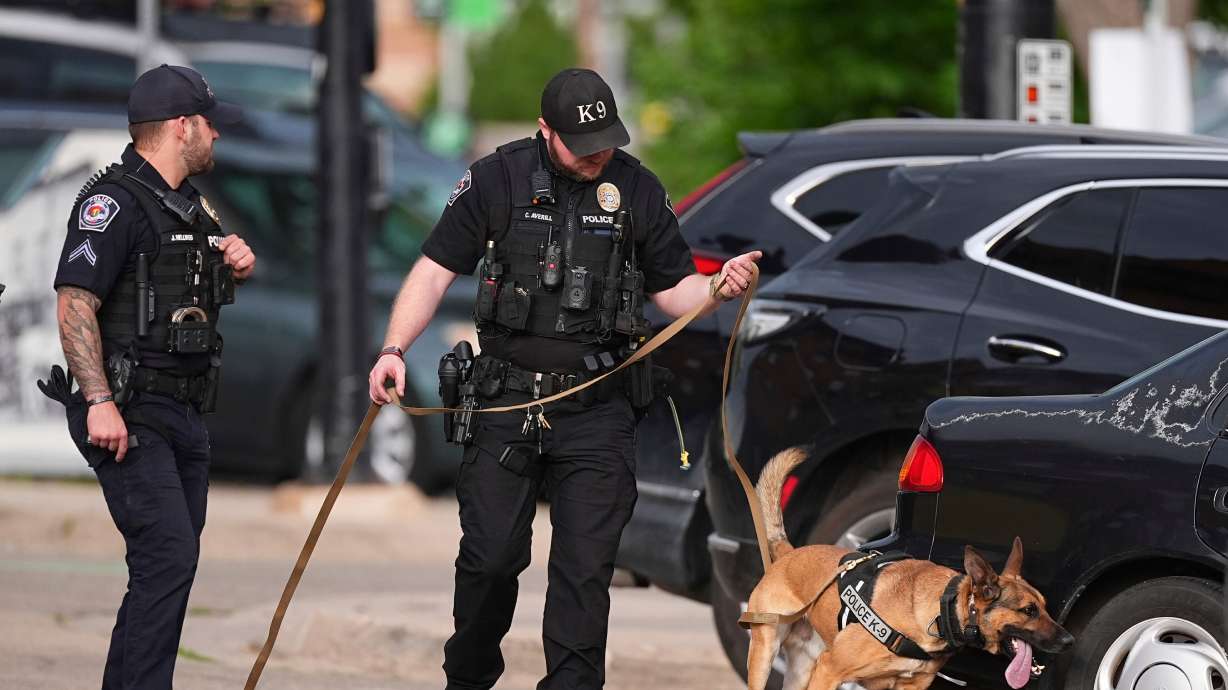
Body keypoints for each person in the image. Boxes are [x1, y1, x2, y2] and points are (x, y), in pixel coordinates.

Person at [367, 67, 761, 690]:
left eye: (606, 139)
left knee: (584, 575)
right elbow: (434, 270)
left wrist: (717, 288)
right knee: (489, 562)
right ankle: (467, 679)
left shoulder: (637, 188)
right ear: (544, 130)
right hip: (505, 401)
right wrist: (394, 349)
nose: (597, 153)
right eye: (583, 144)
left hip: (598, 408)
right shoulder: (495, 178)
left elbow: (674, 290)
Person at [42, 64, 254, 689]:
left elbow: (187, 284)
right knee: (167, 558)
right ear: (181, 126)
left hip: (183, 413)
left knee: (166, 569)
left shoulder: (187, 204)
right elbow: (74, 301)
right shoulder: (112, 202)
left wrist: (233, 261)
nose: (217, 135)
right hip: (129, 413)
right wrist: (98, 400)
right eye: (209, 124)